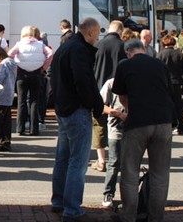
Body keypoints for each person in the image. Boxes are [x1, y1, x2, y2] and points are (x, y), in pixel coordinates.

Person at [112, 39, 175, 222]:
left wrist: (130, 109)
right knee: (160, 173)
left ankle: (129, 215)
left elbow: (122, 95)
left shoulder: (125, 65)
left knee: (130, 171)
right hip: (163, 121)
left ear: (128, 51)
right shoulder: (159, 64)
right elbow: (169, 91)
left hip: (138, 122)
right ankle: (155, 216)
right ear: (144, 49)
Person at [50, 18, 104, 221]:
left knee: (63, 158)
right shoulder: (79, 50)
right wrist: (93, 104)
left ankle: (59, 200)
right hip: (76, 109)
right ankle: (71, 208)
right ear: (90, 32)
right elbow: (83, 80)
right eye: (97, 33)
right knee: (77, 161)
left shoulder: (66, 47)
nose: (98, 37)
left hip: (64, 108)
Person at [91, 20, 127, 172]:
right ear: (121, 31)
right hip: (118, 90)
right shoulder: (123, 46)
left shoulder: (98, 45)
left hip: (99, 88)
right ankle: (117, 157)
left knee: (99, 125)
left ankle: (101, 160)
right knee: (118, 126)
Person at [8, 25, 53, 136]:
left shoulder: (19, 44)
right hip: (37, 74)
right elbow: (50, 54)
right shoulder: (40, 45)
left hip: (22, 75)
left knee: (21, 101)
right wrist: (43, 67)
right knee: (34, 102)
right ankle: (34, 129)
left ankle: (20, 129)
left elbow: (9, 54)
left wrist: (16, 65)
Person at [157, 34, 183, 135]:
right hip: (176, 83)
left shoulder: (160, 54)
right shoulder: (178, 54)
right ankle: (182, 126)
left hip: (164, 83)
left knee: (164, 104)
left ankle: (166, 124)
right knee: (178, 105)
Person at [100, 78, 128, 209]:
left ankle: (128, 197)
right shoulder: (111, 83)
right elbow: (101, 104)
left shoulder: (138, 80)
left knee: (130, 165)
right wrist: (116, 113)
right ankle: (108, 193)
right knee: (114, 162)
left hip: (134, 129)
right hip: (116, 128)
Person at [0, 46, 18, 152]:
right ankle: (5, 140)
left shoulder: (2, 65)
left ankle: (2, 141)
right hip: (9, 94)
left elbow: (0, 79)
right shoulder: (12, 62)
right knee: (6, 120)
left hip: (1, 95)